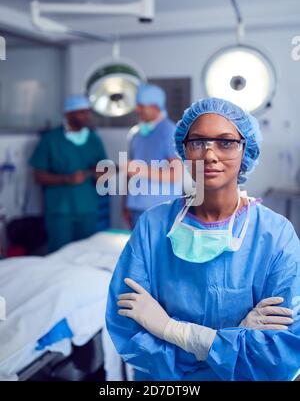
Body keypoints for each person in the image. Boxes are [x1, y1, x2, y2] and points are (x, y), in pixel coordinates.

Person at [106, 97, 300, 381]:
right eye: (197, 141)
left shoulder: (275, 236)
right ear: (184, 150)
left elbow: (282, 352)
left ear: (246, 149)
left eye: (226, 142)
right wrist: (233, 340)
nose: (209, 155)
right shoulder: (153, 226)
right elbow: (128, 329)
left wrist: (172, 330)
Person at [29, 95, 107, 253]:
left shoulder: (93, 139)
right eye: (81, 113)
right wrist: (66, 179)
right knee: (59, 255)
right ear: (68, 114)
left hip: (88, 209)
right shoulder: (50, 140)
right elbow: (38, 176)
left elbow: (104, 167)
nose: (86, 117)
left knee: (87, 255)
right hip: (60, 211)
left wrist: (102, 174)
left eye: (87, 112)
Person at [123, 83, 182, 228]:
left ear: (155, 107)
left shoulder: (169, 132)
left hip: (161, 209)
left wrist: (141, 170)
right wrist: (125, 203)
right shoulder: (136, 133)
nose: (137, 109)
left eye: (141, 106)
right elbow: (129, 172)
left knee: (158, 250)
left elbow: (177, 174)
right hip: (136, 207)